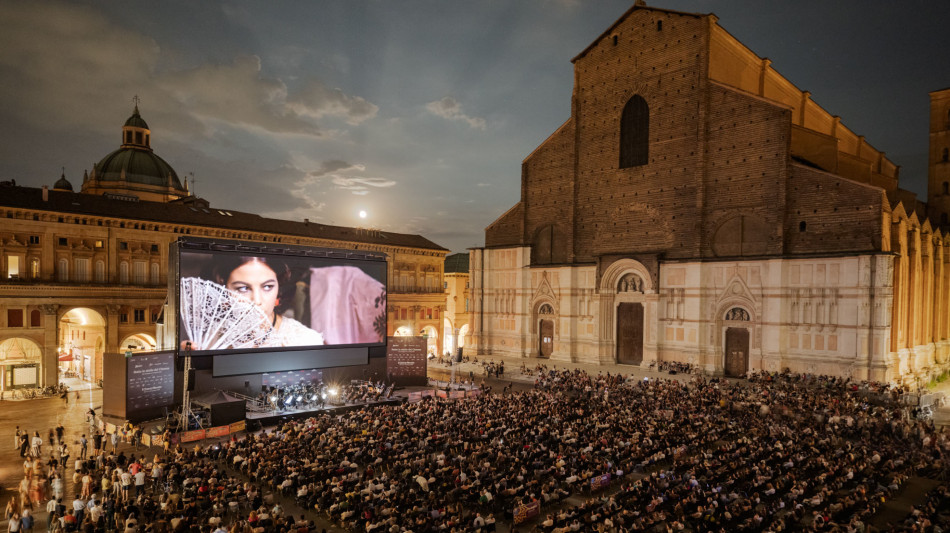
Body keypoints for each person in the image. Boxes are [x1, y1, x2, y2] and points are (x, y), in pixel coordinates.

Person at [183, 256, 324, 349]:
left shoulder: (305, 340)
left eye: (267, 287)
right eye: (243, 288)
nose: (256, 301)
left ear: (279, 287)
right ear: (224, 289)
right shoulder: (215, 336)